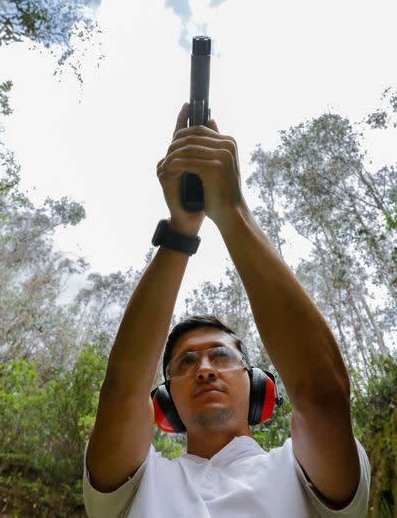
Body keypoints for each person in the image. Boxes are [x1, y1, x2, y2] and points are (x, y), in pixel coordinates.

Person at [83, 103, 371, 517]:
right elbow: (121, 391)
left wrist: (232, 212)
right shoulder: (136, 485)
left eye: (220, 355)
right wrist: (181, 230)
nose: (204, 368)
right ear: (163, 406)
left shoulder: (298, 471)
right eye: (185, 363)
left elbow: (322, 396)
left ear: (257, 386)